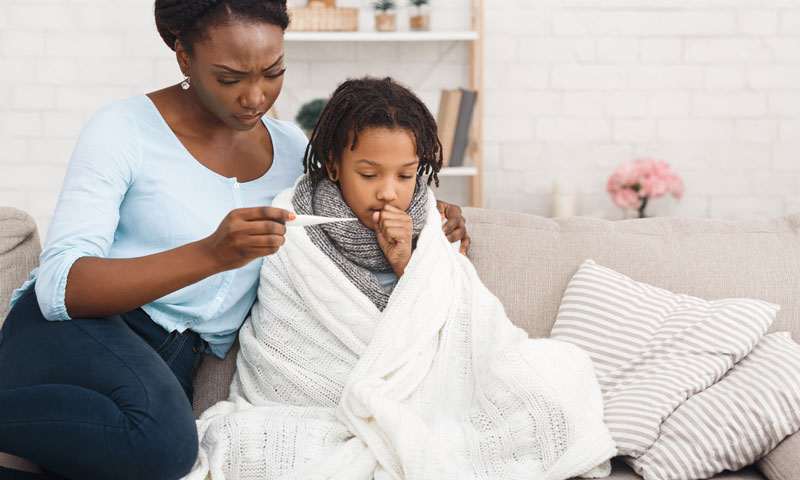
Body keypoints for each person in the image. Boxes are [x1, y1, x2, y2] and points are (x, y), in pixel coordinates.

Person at [0, 2, 468, 479]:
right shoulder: (123, 129)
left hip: (173, 361)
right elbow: (61, 287)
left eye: (273, 73)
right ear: (183, 55)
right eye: (229, 78)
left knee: (154, 455)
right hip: (74, 333)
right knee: (165, 447)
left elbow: (362, 194)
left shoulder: (292, 152)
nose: (255, 96)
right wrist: (210, 254)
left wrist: (433, 218)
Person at [181, 77, 616, 480]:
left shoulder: (432, 224)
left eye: (405, 175)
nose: (389, 191)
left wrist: (409, 263)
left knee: (555, 374)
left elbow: (462, 322)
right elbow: (289, 337)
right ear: (333, 164)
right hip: (325, 404)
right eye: (369, 174)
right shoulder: (295, 228)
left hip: (432, 398)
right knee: (252, 440)